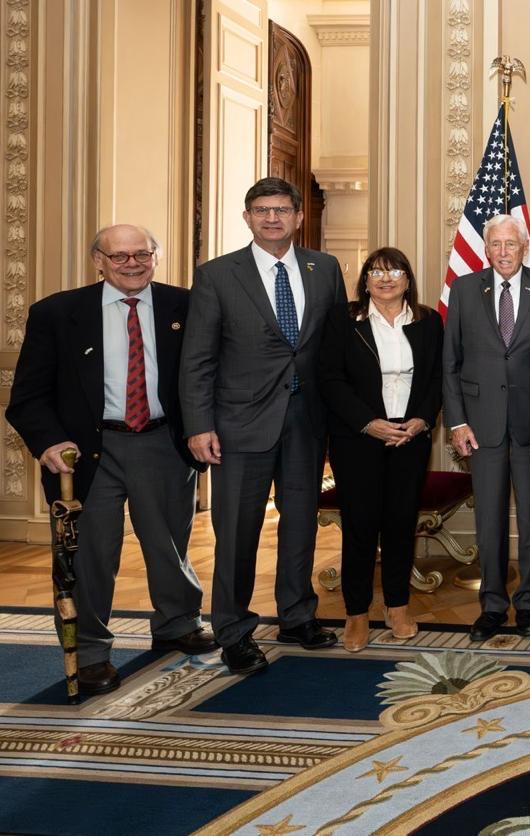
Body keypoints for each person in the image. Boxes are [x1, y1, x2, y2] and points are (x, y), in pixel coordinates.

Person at [7, 225, 215, 696]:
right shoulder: (58, 313)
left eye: (142, 254)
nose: (132, 264)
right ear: (97, 260)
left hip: (163, 443)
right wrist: (49, 441)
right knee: (92, 555)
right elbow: (28, 397)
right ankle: (93, 653)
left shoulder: (185, 305)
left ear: (156, 257)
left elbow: (206, 374)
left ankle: (177, 621)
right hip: (86, 452)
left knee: (169, 544)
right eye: (119, 256)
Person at [180, 177, 347, 674]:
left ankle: (297, 615)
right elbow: (197, 359)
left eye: (280, 210)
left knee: (301, 526)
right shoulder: (216, 275)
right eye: (261, 210)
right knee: (236, 533)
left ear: (299, 217)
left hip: (307, 423)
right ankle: (233, 631)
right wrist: (198, 424)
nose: (271, 218)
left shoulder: (326, 269)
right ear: (247, 218)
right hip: (237, 424)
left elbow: (336, 349)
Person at [442, 214, 530, 642]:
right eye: (495, 244)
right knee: (489, 523)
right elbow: (450, 363)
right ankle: (492, 605)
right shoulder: (463, 290)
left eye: (510, 244)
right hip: (482, 428)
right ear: (486, 249)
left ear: (523, 247)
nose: (503, 252)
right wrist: (457, 421)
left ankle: (529, 603)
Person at [319, 248, 442, 652]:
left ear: (408, 279)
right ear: (365, 280)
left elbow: (437, 378)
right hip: (358, 440)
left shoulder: (428, 321)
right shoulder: (343, 319)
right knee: (360, 526)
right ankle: (356, 614)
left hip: (410, 438)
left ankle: (397, 606)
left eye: (394, 271)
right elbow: (331, 379)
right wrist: (368, 423)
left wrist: (422, 420)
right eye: (376, 271)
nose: (385, 278)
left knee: (400, 524)